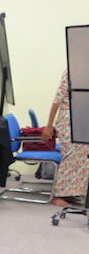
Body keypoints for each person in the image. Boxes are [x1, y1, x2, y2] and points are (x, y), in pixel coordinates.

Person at [42, 69, 89, 207]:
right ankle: (58, 195)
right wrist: (49, 126)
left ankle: (71, 193)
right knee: (72, 154)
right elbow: (57, 100)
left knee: (83, 155)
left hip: (81, 120)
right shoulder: (71, 70)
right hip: (68, 122)